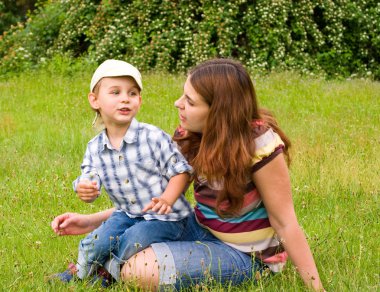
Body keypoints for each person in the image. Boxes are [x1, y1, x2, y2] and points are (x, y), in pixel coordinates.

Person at [52, 58, 324, 291]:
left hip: (245, 256)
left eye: (189, 101)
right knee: (142, 233)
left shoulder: (259, 144)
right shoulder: (191, 136)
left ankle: (107, 269)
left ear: (218, 111)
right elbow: (156, 202)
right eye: (183, 95)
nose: (177, 103)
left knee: (138, 271)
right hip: (198, 227)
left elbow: (284, 221)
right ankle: (99, 266)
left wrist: (315, 286)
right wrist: (90, 221)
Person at [51, 59, 193, 284]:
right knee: (97, 240)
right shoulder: (95, 148)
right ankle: (78, 272)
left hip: (167, 217)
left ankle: (108, 274)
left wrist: (168, 198)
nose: (125, 98)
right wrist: (84, 188)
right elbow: (89, 178)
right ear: (94, 100)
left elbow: (182, 171)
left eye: (132, 93)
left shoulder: (153, 137)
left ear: (139, 100)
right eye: (115, 92)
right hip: (126, 213)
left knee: (133, 239)